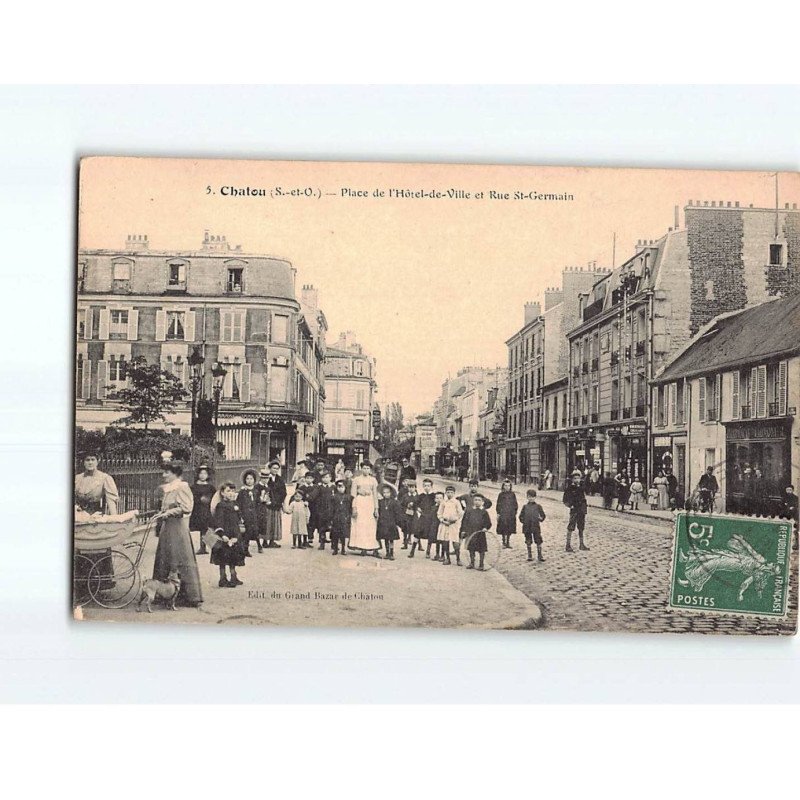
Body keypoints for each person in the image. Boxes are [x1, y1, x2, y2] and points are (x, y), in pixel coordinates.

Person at [152, 461, 203, 605]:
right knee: (165, 557)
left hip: (177, 529)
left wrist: (169, 512)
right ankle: (164, 593)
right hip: (167, 528)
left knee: (179, 557)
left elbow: (186, 507)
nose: (164, 475)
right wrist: (162, 513)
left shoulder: (182, 487)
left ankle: (187, 596)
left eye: (167, 472)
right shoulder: (168, 488)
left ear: (175, 473)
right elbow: (166, 506)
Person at [74, 452, 121, 589]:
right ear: (83, 462)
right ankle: (81, 584)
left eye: (92, 459)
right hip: (79, 516)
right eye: (87, 460)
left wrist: (114, 519)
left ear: (97, 461)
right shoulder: (77, 478)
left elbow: (111, 500)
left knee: (97, 546)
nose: (90, 462)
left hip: (96, 516)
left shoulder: (104, 478)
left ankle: (99, 583)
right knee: (79, 547)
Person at [210, 481, 245, 588]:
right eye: (228, 491)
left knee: (233, 557)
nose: (231, 493)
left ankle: (233, 576)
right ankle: (222, 578)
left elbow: (238, 518)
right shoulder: (221, 506)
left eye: (233, 491)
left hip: (234, 533)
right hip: (225, 534)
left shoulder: (235, 504)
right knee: (223, 557)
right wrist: (222, 534)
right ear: (222, 493)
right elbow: (218, 521)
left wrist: (240, 521)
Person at [350, 461, 381, 557]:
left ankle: (372, 547)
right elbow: (353, 494)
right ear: (361, 469)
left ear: (370, 470)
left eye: (368, 468)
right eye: (364, 468)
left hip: (370, 503)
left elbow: (376, 495)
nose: (366, 470)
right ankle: (362, 547)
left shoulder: (373, 480)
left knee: (370, 525)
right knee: (360, 524)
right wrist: (354, 508)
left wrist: (376, 508)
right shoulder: (356, 480)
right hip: (360, 502)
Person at [256, 461, 286, 549]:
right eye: (274, 468)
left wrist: (279, 501)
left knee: (275, 522)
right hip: (267, 504)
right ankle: (265, 541)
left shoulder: (280, 479)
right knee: (267, 522)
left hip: (276, 504)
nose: (275, 470)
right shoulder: (265, 478)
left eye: (277, 468)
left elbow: (283, 492)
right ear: (270, 468)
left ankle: (272, 541)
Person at [189, 464, 216, 555]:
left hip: (207, 509)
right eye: (201, 473)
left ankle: (207, 546)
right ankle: (202, 547)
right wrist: (199, 499)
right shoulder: (193, 487)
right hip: (198, 509)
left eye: (205, 473)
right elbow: (191, 497)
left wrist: (208, 500)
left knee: (207, 527)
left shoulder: (211, 487)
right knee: (201, 527)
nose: (203, 475)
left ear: (208, 475)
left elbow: (214, 497)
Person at [461, 495, 492, 570]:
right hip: (471, 532)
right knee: (471, 548)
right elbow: (464, 521)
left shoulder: (484, 512)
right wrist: (464, 530)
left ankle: (481, 564)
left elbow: (488, 522)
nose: (477, 502)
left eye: (479, 500)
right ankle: (472, 562)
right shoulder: (469, 511)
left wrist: (485, 527)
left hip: (480, 533)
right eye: (475, 500)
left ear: (482, 502)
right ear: (473, 501)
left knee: (481, 549)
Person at [437, 485, 465, 566]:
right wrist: (442, 520)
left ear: (454, 493)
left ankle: (458, 559)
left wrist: (454, 520)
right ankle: (447, 559)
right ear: (445, 493)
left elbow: (460, 513)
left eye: (451, 492)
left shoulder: (456, 502)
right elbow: (439, 513)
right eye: (448, 492)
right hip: (445, 524)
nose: (449, 494)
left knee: (455, 542)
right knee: (445, 541)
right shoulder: (443, 502)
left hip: (454, 525)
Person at [563, 470, 589, 553]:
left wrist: (584, 509)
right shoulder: (569, 489)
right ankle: (568, 545)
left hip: (581, 510)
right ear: (572, 480)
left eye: (578, 478)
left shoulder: (581, 488)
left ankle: (581, 544)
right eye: (575, 478)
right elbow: (565, 500)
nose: (577, 480)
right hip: (574, 510)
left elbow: (583, 499)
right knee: (571, 527)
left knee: (581, 527)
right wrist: (571, 506)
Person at [409, 478, 435, 559]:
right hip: (423, 517)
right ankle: (412, 551)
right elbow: (416, 504)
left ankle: (428, 552)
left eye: (428, 486)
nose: (426, 487)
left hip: (431, 518)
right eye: (425, 486)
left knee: (430, 535)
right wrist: (417, 508)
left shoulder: (434, 496)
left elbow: (438, 505)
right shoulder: (421, 496)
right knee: (417, 533)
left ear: (431, 486)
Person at [519, 488, 546, 562]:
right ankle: (529, 555)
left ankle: (540, 555)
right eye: (529, 497)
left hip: (535, 526)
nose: (531, 498)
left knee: (538, 540)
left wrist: (540, 518)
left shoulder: (538, 506)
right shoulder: (525, 507)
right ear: (527, 497)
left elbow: (543, 515)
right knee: (528, 540)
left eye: (533, 497)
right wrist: (524, 521)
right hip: (527, 527)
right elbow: (520, 516)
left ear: (535, 497)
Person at [237, 469, 260, 555]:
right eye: (247, 479)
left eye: (251, 479)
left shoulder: (256, 491)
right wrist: (240, 515)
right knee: (244, 531)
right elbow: (238, 503)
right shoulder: (242, 492)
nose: (249, 481)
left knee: (252, 531)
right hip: (245, 514)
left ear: (254, 480)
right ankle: (244, 549)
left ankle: (248, 548)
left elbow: (258, 503)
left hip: (253, 514)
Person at [376, 484, 402, 560]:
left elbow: (398, 513)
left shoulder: (395, 502)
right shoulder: (380, 502)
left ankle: (391, 552)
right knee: (385, 539)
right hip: (383, 523)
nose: (386, 494)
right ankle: (387, 552)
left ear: (391, 493)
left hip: (391, 523)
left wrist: (397, 522)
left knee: (391, 539)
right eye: (384, 493)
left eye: (387, 492)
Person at [314, 472, 336, 550]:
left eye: (327, 477)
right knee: (322, 528)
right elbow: (314, 496)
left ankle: (333, 544)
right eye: (324, 477)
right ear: (321, 479)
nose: (326, 479)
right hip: (322, 510)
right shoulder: (319, 487)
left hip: (331, 510)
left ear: (330, 478)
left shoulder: (334, 487)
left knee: (333, 527)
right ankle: (322, 543)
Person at [331, 480, 353, 555]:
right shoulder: (334, 497)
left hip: (345, 517)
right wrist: (331, 517)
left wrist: (349, 516)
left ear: (345, 487)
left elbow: (350, 508)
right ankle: (335, 549)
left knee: (344, 534)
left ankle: (343, 549)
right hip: (336, 517)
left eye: (342, 487)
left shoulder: (349, 497)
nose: (340, 489)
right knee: (335, 534)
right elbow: (331, 508)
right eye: (339, 487)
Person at [495, 480, 519, 548]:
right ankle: (503, 542)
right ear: (503, 486)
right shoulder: (501, 494)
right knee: (503, 527)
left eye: (508, 486)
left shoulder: (512, 494)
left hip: (510, 514)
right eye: (505, 485)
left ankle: (508, 542)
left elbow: (515, 504)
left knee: (509, 528)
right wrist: (498, 513)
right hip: (503, 514)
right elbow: (498, 504)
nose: (507, 487)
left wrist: (515, 512)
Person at [398, 483, 418, 549]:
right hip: (406, 514)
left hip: (414, 514)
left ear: (415, 488)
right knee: (405, 527)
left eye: (412, 487)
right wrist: (407, 506)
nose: (411, 489)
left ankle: (410, 539)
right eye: (409, 487)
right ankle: (405, 542)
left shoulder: (417, 496)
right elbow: (401, 504)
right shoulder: (405, 496)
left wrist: (414, 506)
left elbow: (419, 505)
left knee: (413, 527)